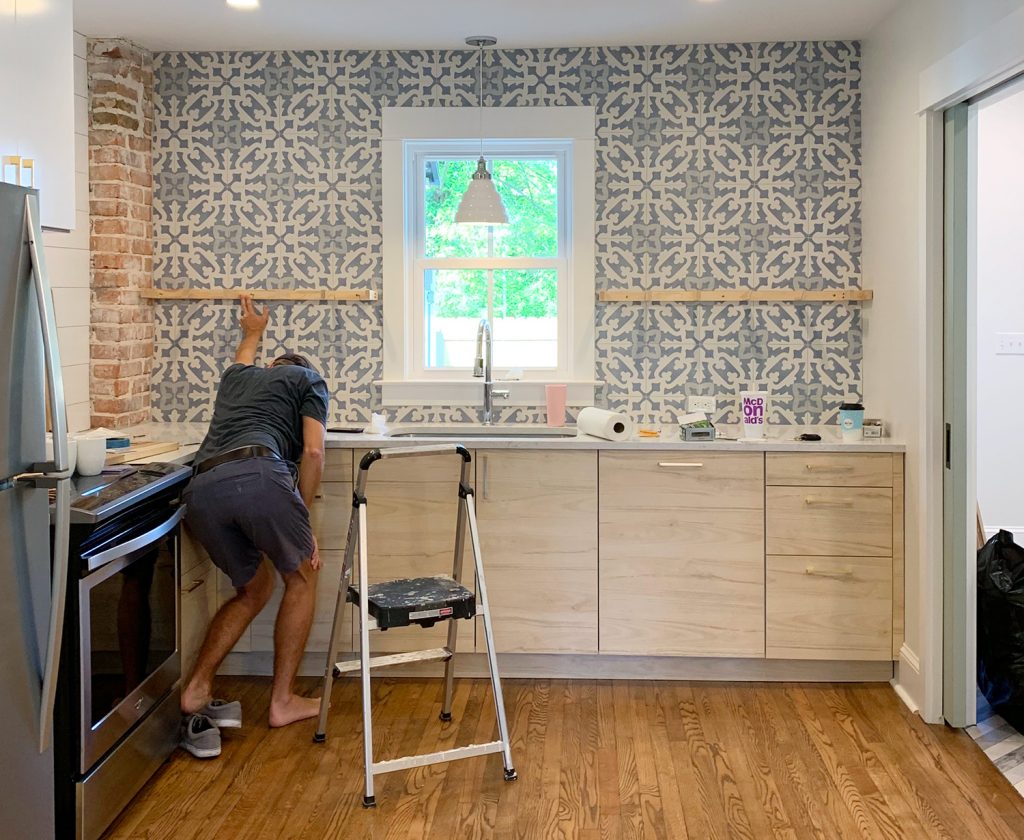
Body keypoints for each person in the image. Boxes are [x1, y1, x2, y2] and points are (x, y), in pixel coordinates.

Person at [178, 294, 328, 759]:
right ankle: (281, 702)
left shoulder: (239, 377)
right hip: (261, 475)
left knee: (252, 589)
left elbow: (245, 352)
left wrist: (253, 331)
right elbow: (315, 452)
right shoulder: (309, 379)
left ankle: (196, 689)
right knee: (300, 577)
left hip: (201, 489)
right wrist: (301, 512)